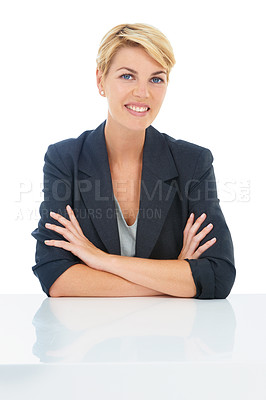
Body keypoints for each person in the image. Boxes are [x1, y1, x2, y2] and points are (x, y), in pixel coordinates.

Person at [31, 23, 235, 299]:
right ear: (100, 80)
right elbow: (55, 276)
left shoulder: (193, 163)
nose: (143, 92)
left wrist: (100, 260)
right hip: (88, 336)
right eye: (127, 76)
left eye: (156, 79)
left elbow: (217, 276)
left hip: (168, 336)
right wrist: (174, 275)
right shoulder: (64, 160)